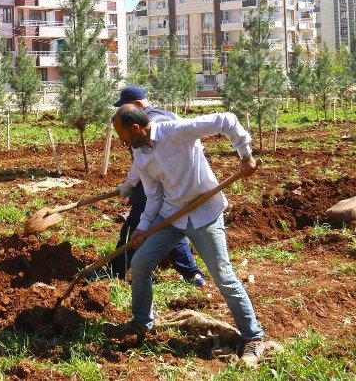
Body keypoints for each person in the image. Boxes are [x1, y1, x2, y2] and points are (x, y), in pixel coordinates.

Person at [111, 104, 266, 368]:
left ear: (136, 128)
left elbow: (226, 120)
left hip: (204, 212)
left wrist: (245, 155)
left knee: (222, 276)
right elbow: (154, 195)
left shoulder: (176, 131)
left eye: (122, 135)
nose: (121, 141)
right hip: (171, 215)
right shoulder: (140, 155)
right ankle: (141, 322)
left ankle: (253, 337)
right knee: (140, 263)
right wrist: (142, 227)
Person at [110, 86, 206, 286]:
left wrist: (129, 184)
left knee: (133, 228)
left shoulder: (149, 123)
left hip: (157, 184)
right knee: (169, 224)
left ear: (137, 105)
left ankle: (114, 273)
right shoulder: (166, 114)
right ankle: (192, 274)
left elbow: (145, 158)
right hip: (170, 182)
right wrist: (129, 184)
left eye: (124, 107)